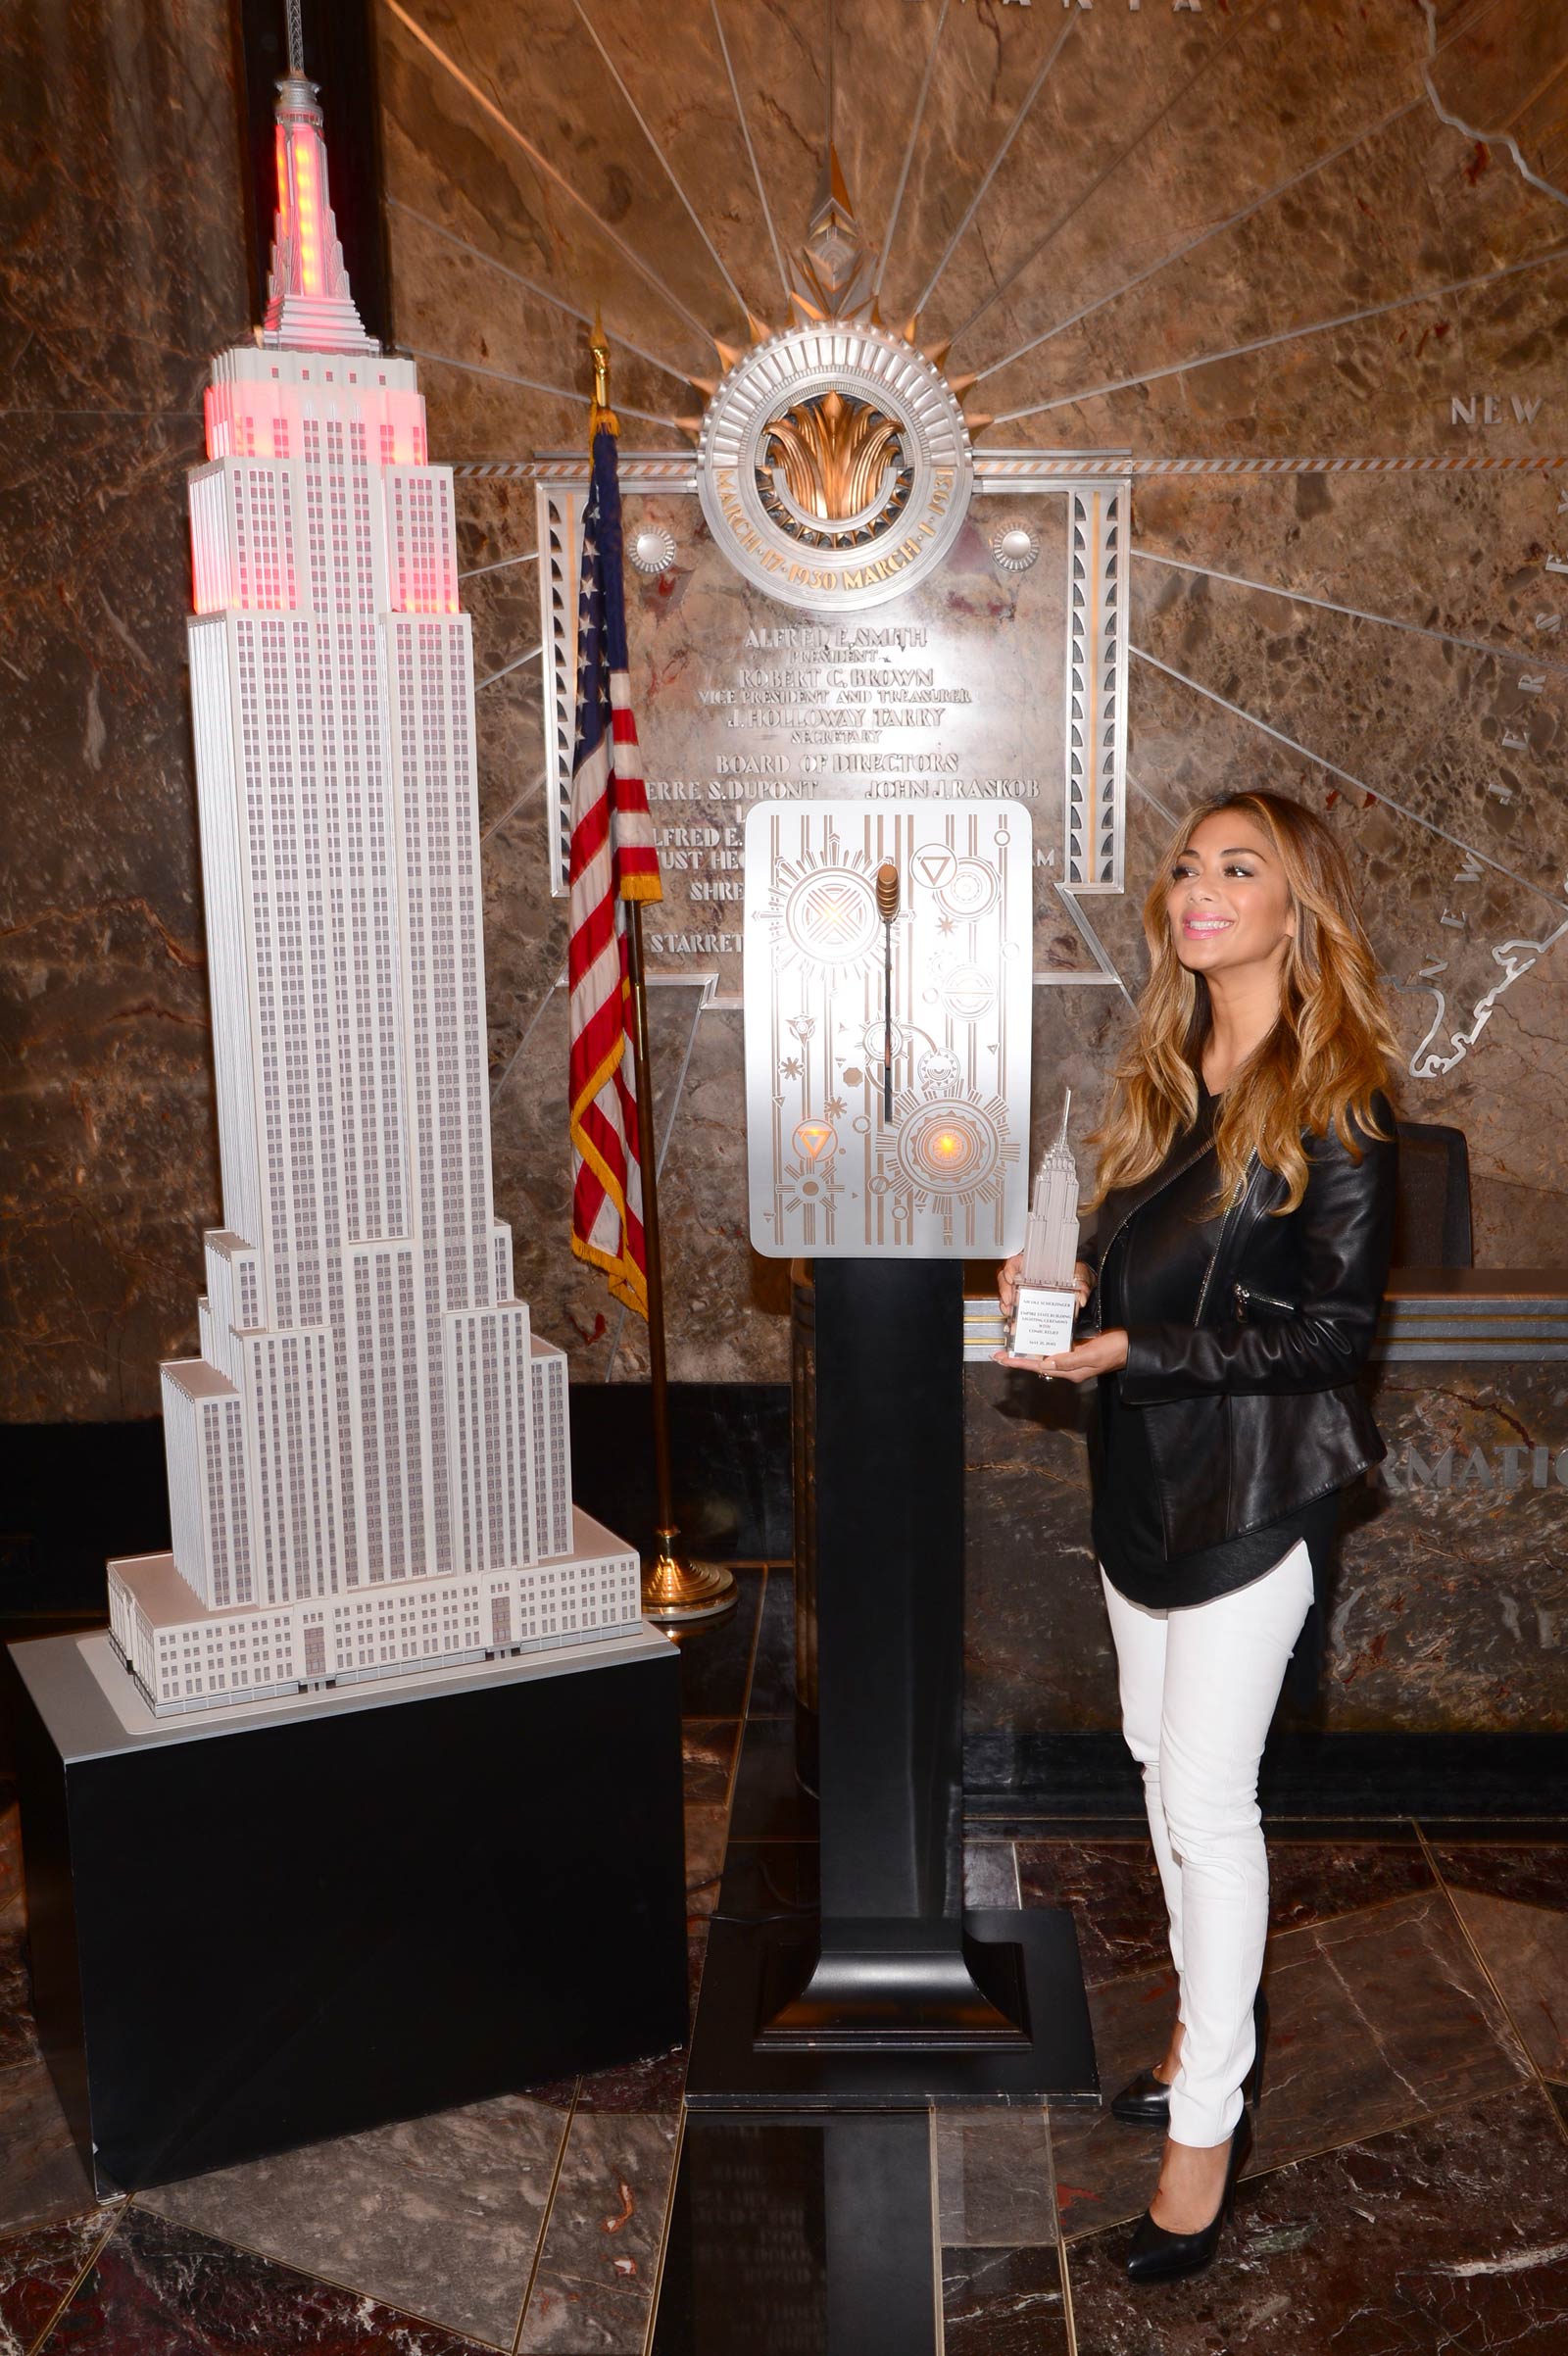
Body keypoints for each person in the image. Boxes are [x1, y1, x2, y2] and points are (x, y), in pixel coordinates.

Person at [996, 788, 1399, 2283]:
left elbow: (1329, 1340)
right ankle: (1195, 2025)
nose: (1198, 887)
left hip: (1252, 1503)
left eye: (1242, 868)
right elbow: (1126, 1266)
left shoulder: (1339, 1094)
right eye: (1187, 865)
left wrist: (1135, 1357)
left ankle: (1206, 2131)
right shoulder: (1167, 1069)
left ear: (1300, 910)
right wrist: (1061, 1295)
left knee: (1212, 1812)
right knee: (1161, 1773)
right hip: (1141, 1494)